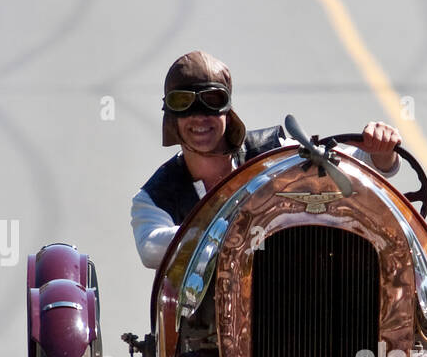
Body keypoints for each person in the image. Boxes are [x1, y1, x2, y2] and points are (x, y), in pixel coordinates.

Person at [131, 50, 402, 268]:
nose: (199, 117)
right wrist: (229, 225)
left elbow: (358, 163)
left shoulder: (274, 153)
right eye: (184, 103)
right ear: (170, 115)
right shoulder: (154, 197)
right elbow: (151, 249)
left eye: (212, 100)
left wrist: (382, 151)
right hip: (208, 324)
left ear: (228, 109)